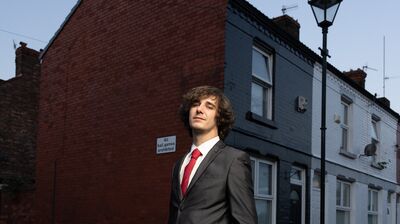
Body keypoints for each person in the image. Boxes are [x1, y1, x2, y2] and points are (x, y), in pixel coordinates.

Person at [168, 86, 257, 224]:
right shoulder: (179, 164)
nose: (199, 109)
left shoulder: (234, 160)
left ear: (219, 117)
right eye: (195, 104)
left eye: (209, 106)